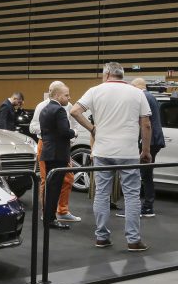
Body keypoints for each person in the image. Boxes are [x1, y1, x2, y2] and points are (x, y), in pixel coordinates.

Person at [70, 62, 151, 252]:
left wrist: (92, 129)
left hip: (103, 151)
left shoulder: (95, 91)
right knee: (131, 196)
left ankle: (102, 237)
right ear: (122, 75)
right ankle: (133, 240)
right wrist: (145, 151)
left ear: (107, 74)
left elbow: (75, 111)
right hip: (128, 152)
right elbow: (146, 124)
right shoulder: (137, 93)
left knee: (102, 194)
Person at [30, 81, 80, 224]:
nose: (69, 98)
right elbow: (35, 127)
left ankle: (59, 211)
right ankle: (47, 214)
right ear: (56, 94)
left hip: (55, 148)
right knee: (49, 182)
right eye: (66, 95)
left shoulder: (59, 107)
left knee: (65, 179)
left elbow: (69, 125)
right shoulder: (49, 107)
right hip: (51, 148)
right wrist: (71, 133)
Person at [131, 78, 165, 218]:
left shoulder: (142, 96)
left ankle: (146, 207)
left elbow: (145, 123)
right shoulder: (151, 96)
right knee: (146, 174)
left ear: (136, 87)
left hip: (149, 141)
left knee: (144, 174)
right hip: (155, 139)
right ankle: (146, 205)